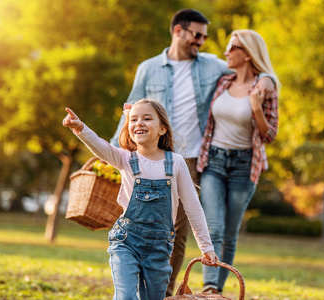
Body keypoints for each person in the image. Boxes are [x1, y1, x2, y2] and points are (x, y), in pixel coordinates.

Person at [110, 9, 276, 296]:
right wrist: (113, 150)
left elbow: (251, 69)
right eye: (196, 35)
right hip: (150, 154)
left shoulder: (212, 66)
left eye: (205, 36)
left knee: (175, 232)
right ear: (178, 31)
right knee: (142, 223)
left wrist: (269, 80)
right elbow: (130, 108)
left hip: (192, 158)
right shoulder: (148, 68)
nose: (201, 41)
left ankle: (164, 291)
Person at [63, 99, 218, 300]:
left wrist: (207, 247)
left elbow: (193, 207)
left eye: (147, 118)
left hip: (160, 248)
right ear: (129, 129)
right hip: (126, 241)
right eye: (133, 119)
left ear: (162, 129)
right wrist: (80, 128)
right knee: (126, 296)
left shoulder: (176, 163)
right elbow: (101, 146)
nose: (139, 123)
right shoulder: (125, 159)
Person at [196, 29, 281, 294]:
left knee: (230, 233)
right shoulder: (223, 81)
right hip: (214, 161)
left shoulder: (265, 89)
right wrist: (268, 78)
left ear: (247, 54)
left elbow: (270, 134)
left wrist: (256, 106)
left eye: (232, 48)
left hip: (245, 166)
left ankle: (216, 293)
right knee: (214, 227)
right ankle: (210, 286)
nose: (226, 53)